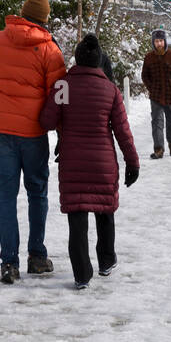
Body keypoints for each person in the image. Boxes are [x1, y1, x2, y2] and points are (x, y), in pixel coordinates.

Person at [0, 0, 67, 284]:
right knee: (37, 192)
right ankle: (37, 256)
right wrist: (52, 123)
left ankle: (9, 263)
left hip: (2, 132)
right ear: (44, 19)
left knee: (5, 195)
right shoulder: (50, 50)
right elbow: (60, 95)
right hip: (35, 133)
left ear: (22, 13)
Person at [40, 33, 139, 289]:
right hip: (103, 162)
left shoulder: (64, 85)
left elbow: (47, 121)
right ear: (98, 62)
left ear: (77, 59)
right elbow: (122, 131)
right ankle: (106, 261)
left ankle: (82, 274)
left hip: (72, 162)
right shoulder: (110, 90)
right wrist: (132, 163)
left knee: (77, 218)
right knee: (105, 212)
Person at [141, 28, 171, 157]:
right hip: (156, 96)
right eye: (156, 41)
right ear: (153, 42)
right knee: (157, 122)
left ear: (164, 42)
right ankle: (158, 148)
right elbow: (145, 75)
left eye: (161, 41)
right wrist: (151, 87)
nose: (159, 44)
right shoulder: (149, 57)